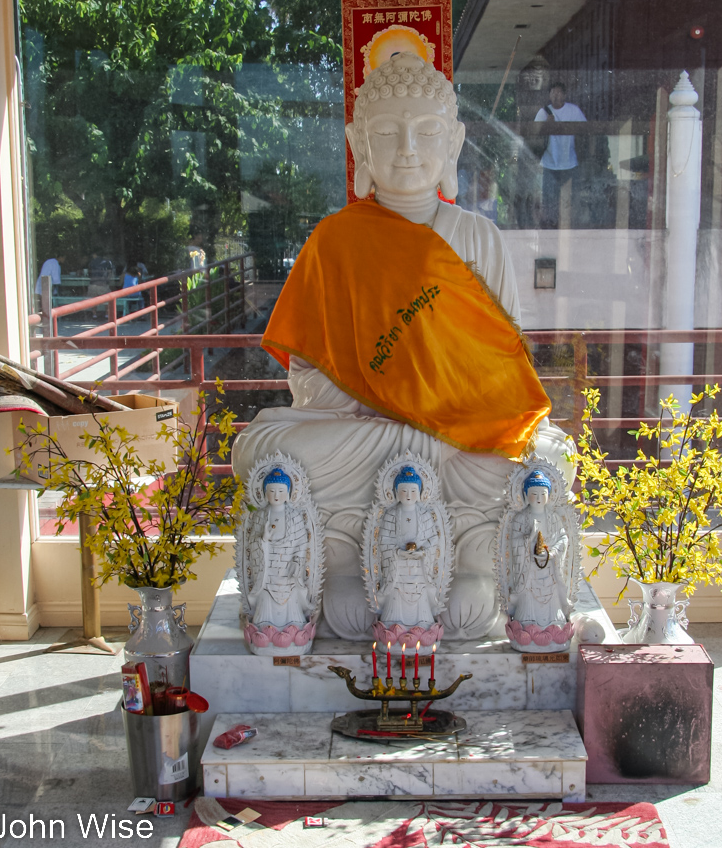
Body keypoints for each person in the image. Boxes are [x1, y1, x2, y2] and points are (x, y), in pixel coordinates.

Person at [232, 51, 561, 641]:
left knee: (540, 457)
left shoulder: (476, 236)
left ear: (455, 143)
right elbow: (306, 376)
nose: (408, 147)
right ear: (359, 142)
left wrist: (434, 403)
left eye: (427, 131)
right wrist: (375, 397)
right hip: (363, 426)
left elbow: (504, 365)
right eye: (387, 132)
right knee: (264, 449)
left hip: (458, 433)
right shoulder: (334, 242)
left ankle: (471, 566)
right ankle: (346, 566)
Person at [246, 468, 314, 629]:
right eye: (271, 490)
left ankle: (295, 628)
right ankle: (263, 629)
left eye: (281, 491)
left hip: (288, 572)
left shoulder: (295, 516)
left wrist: (297, 562)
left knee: (292, 610)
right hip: (267, 575)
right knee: (264, 613)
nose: (276, 495)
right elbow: (251, 543)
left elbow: (302, 542)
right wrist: (263, 540)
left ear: (289, 493)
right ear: (264, 493)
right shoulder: (260, 516)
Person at [376, 466, 442, 629]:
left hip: (420, 566)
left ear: (420, 493)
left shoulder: (425, 515)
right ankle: (392, 626)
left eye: (413, 491)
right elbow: (384, 540)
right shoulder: (391, 515)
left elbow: (433, 539)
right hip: (398, 567)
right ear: (396, 492)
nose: (408, 495)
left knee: (420, 596)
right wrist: (397, 553)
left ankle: (424, 625)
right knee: (396, 595)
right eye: (403, 490)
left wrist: (423, 552)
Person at [506, 469, 572, 630]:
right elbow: (513, 542)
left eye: (543, 494)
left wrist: (552, 553)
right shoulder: (520, 518)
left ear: (549, 495)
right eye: (534, 494)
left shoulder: (553, 518)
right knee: (528, 602)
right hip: (528, 571)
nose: (538, 498)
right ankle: (526, 623)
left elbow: (563, 538)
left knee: (553, 600)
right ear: (525, 495)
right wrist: (528, 540)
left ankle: (554, 624)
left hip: (550, 568)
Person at [534, 81, 587, 228]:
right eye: (553, 92)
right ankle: (550, 229)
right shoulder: (543, 112)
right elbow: (534, 135)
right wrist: (547, 125)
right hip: (549, 163)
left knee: (571, 200)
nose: (556, 95)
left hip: (570, 163)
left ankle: (570, 228)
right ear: (549, 95)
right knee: (549, 201)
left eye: (559, 92)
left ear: (565, 95)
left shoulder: (574, 111)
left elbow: (585, 130)